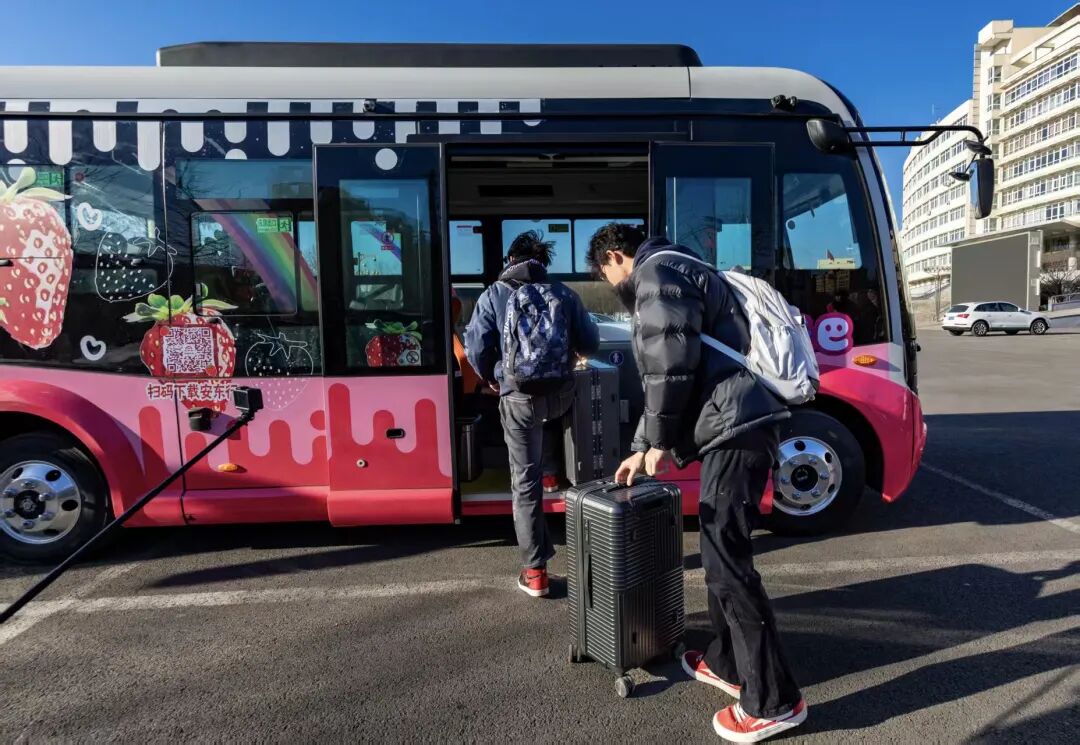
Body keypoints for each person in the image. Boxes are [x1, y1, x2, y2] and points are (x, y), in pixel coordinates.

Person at [586, 223, 807, 742]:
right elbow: (671, 368)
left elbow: (669, 363)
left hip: (737, 427)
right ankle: (726, 662)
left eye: (604, 274)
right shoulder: (684, 267)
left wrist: (658, 442)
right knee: (717, 551)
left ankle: (775, 701)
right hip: (738, 423)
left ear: (615, 256)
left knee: (728, 562)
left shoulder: (655, 272)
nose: (612, 285)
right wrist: (644, 445)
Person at [464, 231, 599, 598]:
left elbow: (476, 348)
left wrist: (494, 377)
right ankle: (554, 475)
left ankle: (535, 572)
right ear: (543, 263)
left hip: (518, 397)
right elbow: (590, 343)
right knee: (553, 420)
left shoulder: (493, 294)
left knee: (525, 481)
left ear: (511, 260)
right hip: (561, 395)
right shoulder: (564, 294)